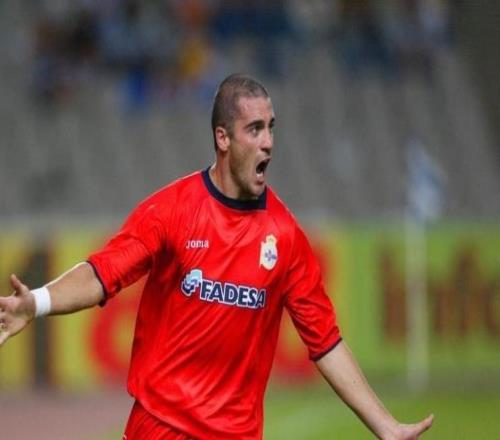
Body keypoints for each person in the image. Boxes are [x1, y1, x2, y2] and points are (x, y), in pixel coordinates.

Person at [0, 74, 433, 439]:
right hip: (161, 428)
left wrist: (385, 427)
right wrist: (36, 302)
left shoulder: (286, 237)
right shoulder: (171, 211)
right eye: (255, 129)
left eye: (271, 128)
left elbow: (326, 342)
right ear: (222, 138)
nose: (268, 143)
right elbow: (102, 274)